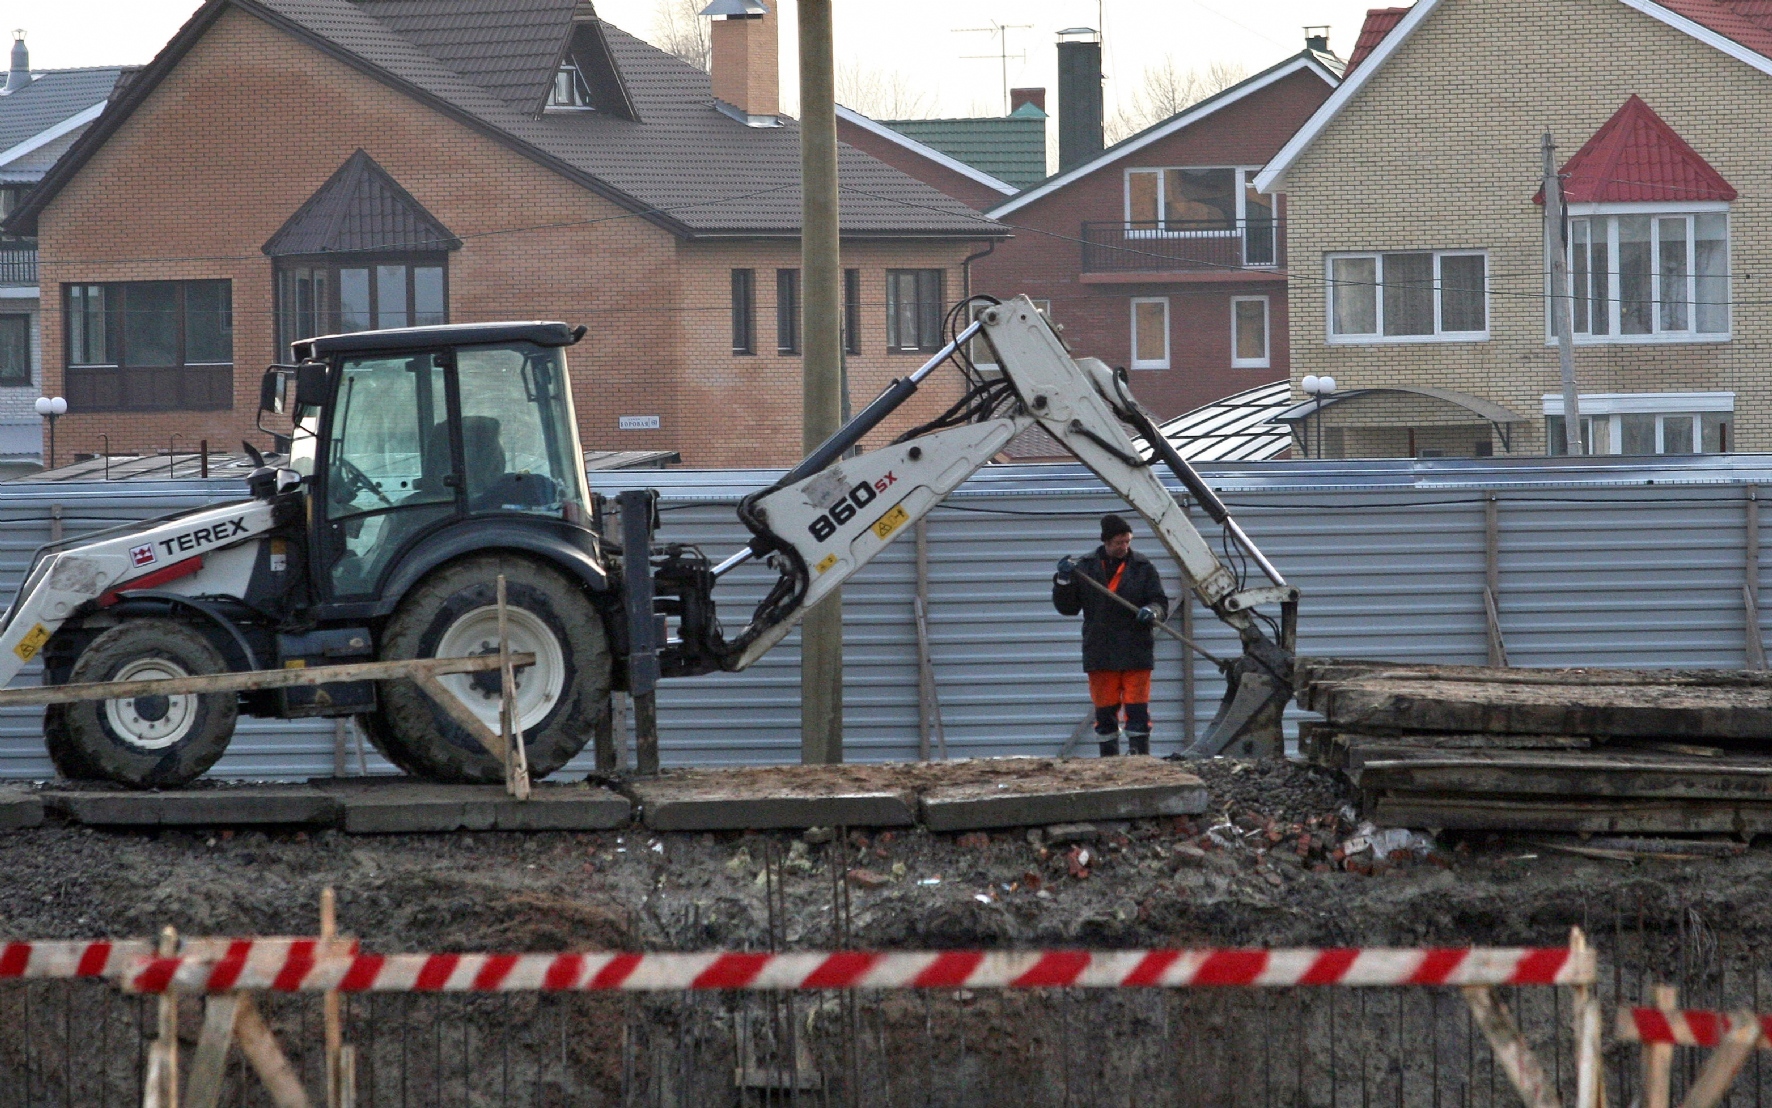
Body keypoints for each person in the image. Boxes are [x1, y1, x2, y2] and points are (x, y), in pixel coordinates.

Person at [1051, 513, 1169, 756]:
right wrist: (1063, 582)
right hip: (1101, 651)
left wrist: (1153, 611)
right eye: (1118, 543)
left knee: (1137, 708)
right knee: (1105, 709)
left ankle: (1139, 757)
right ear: (1105, 541)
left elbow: (1159, 601)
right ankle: (1109, 761)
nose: (1123, 547)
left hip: (1135, 648)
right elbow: (1068, 608)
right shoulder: (1084, 568)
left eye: (1127, 542)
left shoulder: (1143, 567)